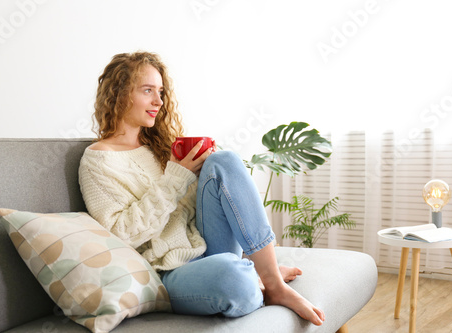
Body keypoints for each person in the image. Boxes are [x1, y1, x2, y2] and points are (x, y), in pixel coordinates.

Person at [78, 51, 325, 325]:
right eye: (147, 90)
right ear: (119, 93)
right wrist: (176, 177)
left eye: (160, 91)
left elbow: (187, 211)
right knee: (234, 279)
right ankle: (254, 275)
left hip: (204, 246)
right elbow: (121, 235)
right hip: (166, 271)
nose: (158, 101)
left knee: (224, 161)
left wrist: (202, 174)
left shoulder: (158, 147)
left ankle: (273, 283)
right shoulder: (97, 161)